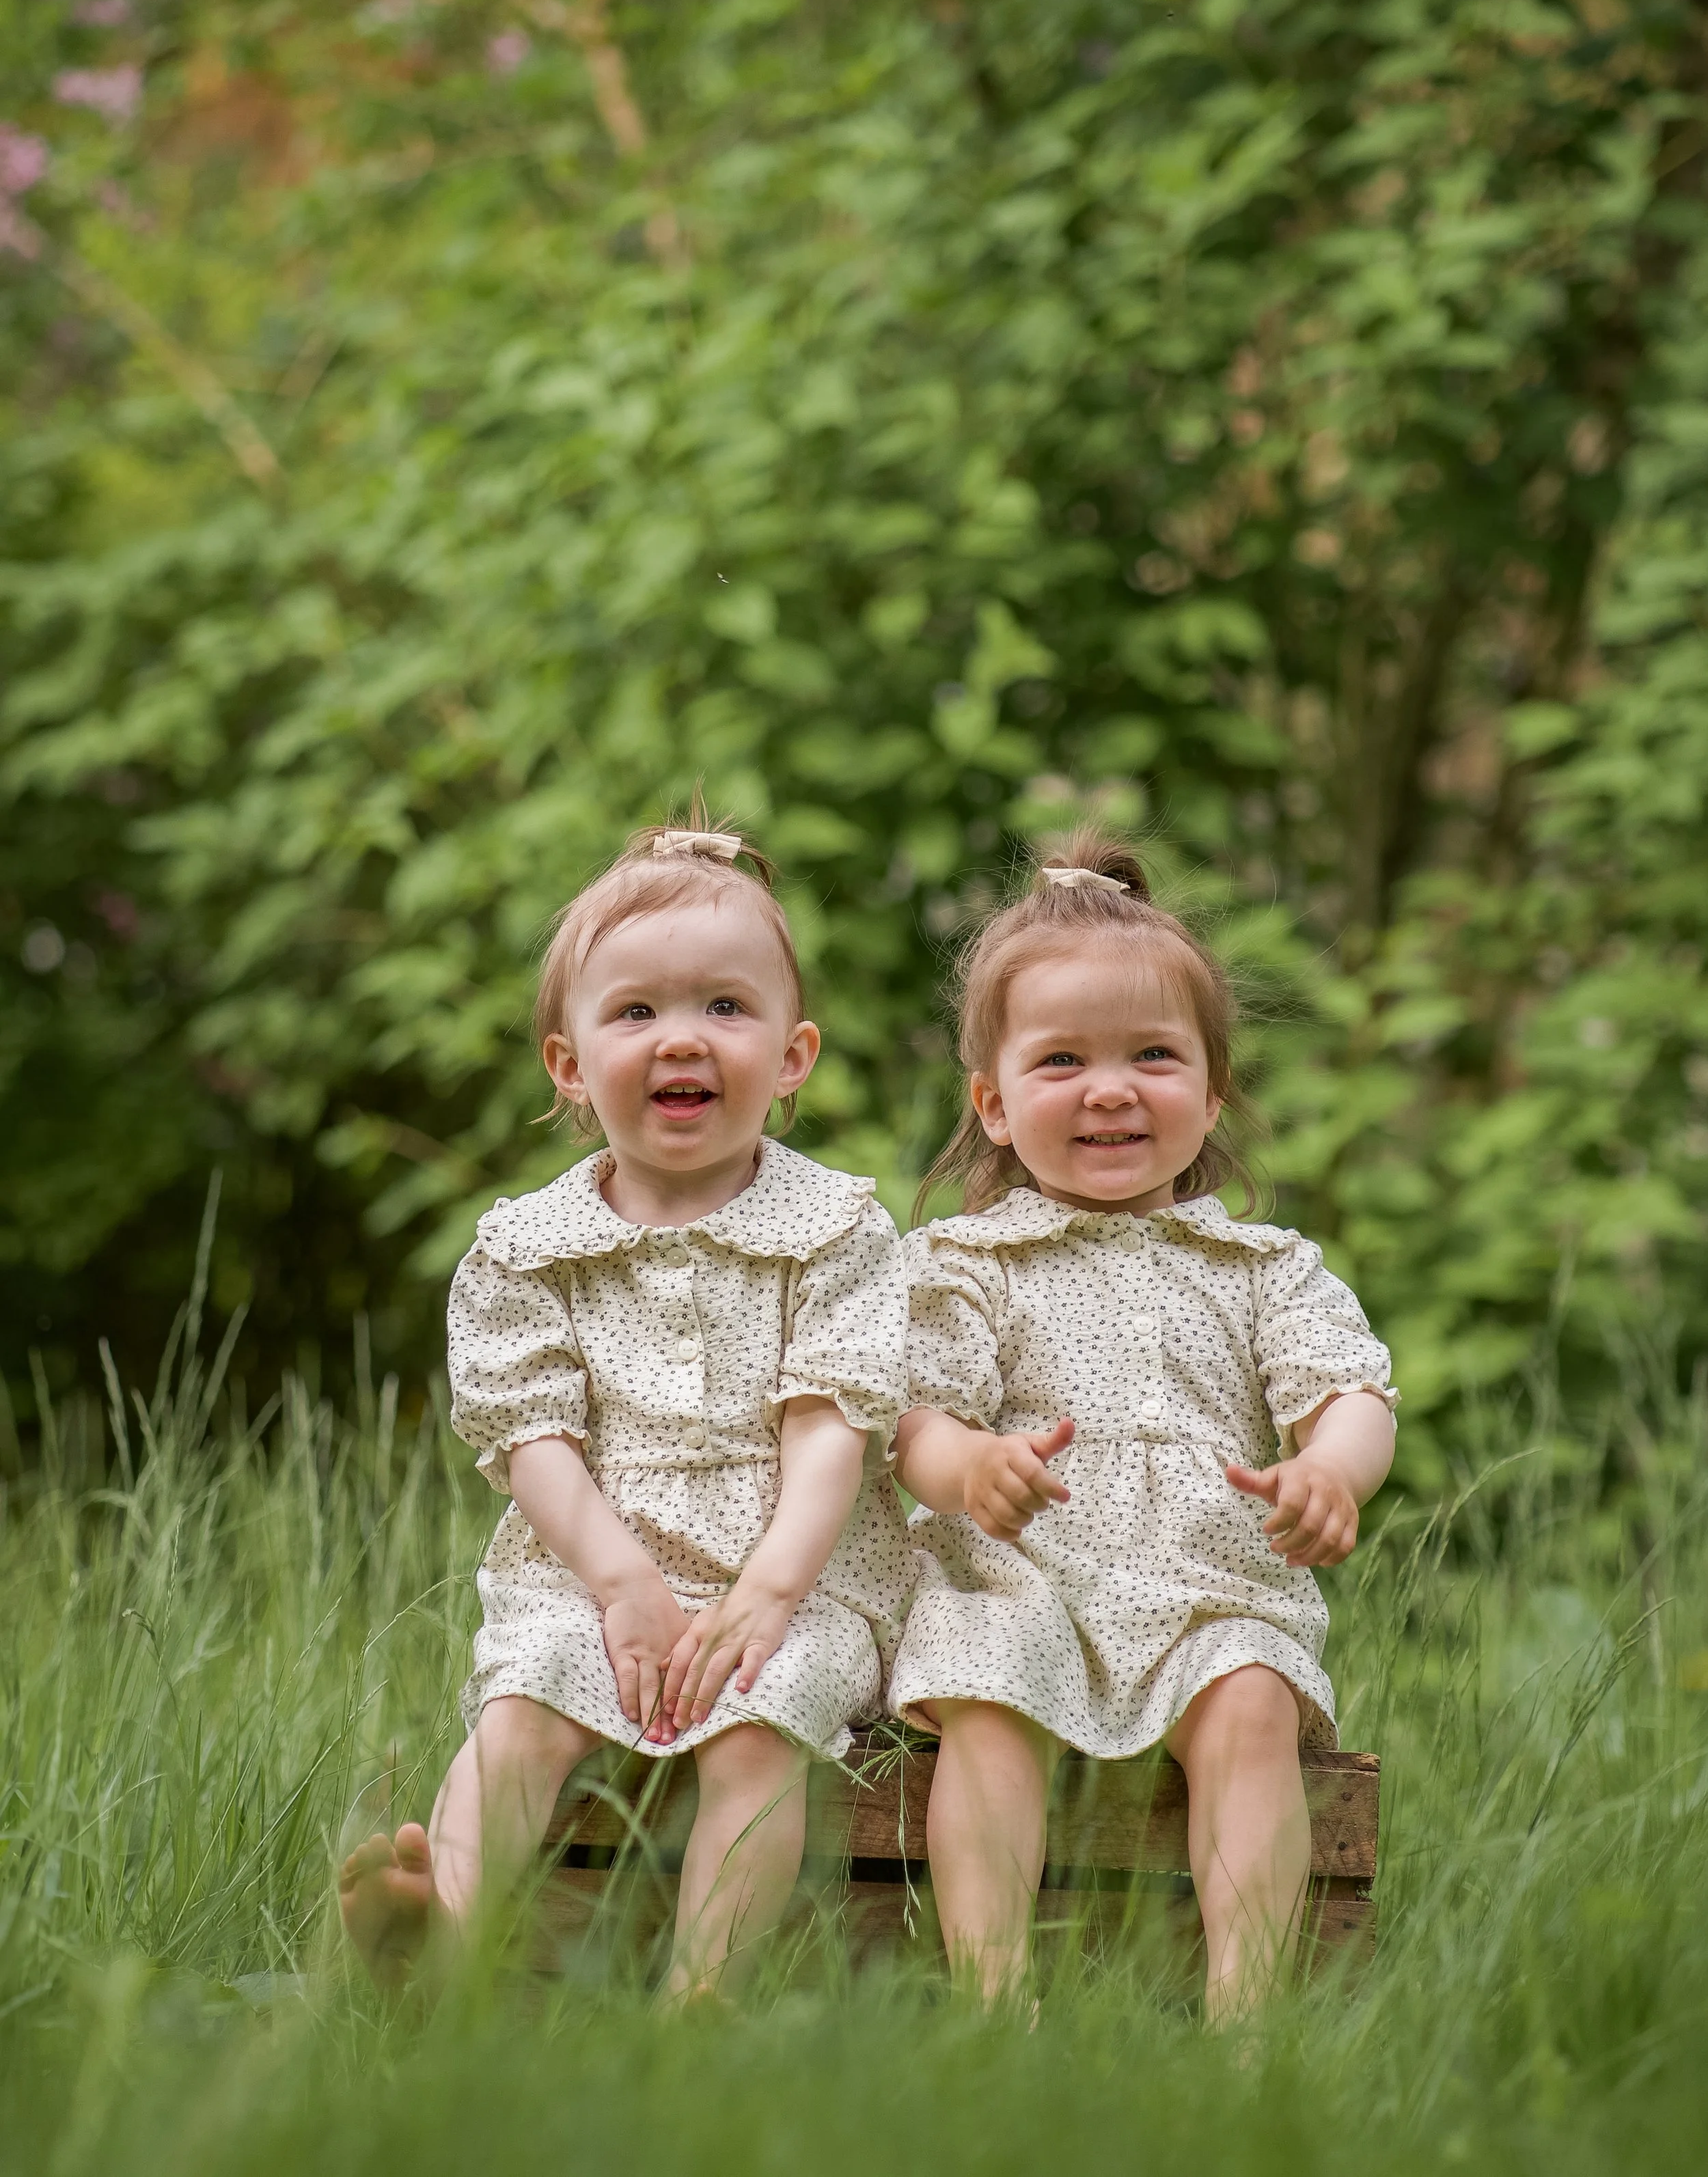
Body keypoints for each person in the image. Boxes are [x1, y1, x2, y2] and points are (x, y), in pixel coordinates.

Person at [341, 818, 912, 1997]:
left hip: (792, 1578)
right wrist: (618, 1583)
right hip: (592, 1571)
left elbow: (831, 1434)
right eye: (637, 1011)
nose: (681, 1037)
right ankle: (442, 1936)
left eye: (725, 1006)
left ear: (794, 1055)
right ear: (568, 1063)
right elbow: (534, 1442)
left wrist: (766, 1593)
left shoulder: (838, 1231)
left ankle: (701, 2000)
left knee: (757, 1727)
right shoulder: (527, 1248)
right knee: (525, 1704)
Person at [890, 830, 1397, 2019]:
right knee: (988, 1695)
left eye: (1153, 1055)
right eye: (1062, 1059)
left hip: (1207, 1588)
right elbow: (912, 1419)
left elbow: (1348, 1391)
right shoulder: (966, 1262)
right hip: (1024, 1578)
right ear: (994, 1103)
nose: (1111, 1089)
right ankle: (995, 2005)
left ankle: (1246, 2018)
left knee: (1252, 1696)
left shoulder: (1263, 1266)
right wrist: (970, 1466)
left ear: (1211, 1093)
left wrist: (1332, 1468)